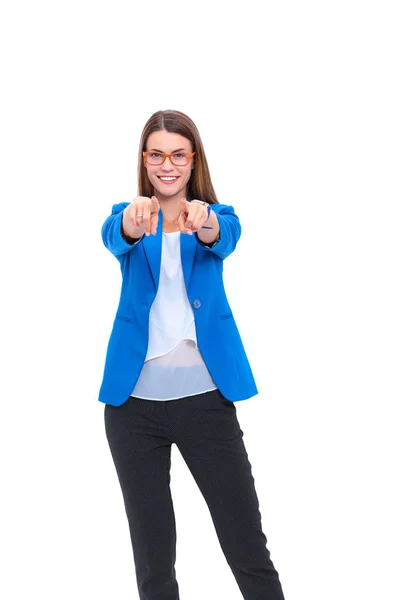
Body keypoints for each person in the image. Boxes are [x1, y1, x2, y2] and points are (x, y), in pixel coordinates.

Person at [99, 109, 285, 600]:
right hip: (132, 410)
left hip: (205, 403)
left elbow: (223, 239)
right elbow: (114, 235)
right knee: (154, 563)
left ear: (192, 160)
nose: (167, 164)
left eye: (178, 154)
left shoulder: (217, 217)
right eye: (157, 154)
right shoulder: (128, 216)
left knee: (247, 546)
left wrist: (202, 224)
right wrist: (134, 224)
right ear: (145, 160)